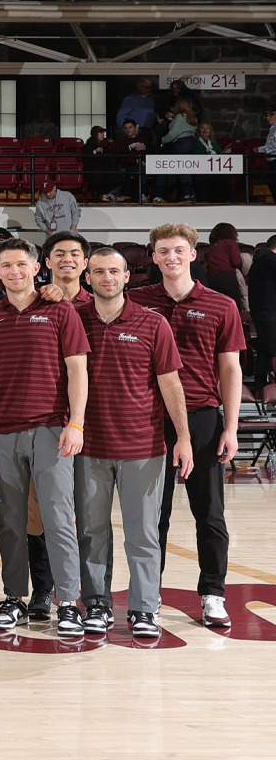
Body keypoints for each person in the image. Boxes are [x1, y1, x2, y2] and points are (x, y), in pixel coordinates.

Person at [129, 223, 246, 629]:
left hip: (201, 420)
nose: (171, 257)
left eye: (179, 250)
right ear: (154, 256)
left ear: (193, 254)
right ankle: (149, 595)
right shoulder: (136, 301)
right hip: (147, 420)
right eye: (163, 251)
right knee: (150, 516)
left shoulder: (221, 304)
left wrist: (230, 428)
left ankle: (213, 594)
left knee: (209, 514)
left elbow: (230, 370)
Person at [77, 246, 194, 639]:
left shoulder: (152, 323)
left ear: (128, 277)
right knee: (92, 532)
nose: (106, 278)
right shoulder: (74, 320)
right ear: (87, 278)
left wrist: (184, 438)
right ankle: (96, 603)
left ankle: (144, 608)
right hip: (88, 447)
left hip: (143, 448)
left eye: (114, 271)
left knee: (143, 533)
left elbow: (170, 384)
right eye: (98, 272)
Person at [0, 238, 90, 634]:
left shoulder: (61, 311)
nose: (14, 272)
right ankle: (14, 597)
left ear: (35, 267)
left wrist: (75, 423)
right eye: (6, 265)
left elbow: (78, 370)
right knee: (10, 520)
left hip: (51, 428)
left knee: (58, 517)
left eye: (21, 264)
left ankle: (68, 602)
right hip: (1, 430)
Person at [204, 221, 250, 318]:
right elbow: (236, 262)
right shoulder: (230, 243)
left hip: (211, 279)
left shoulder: (210, 247)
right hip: (227, 278)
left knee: (216, 308)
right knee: (234, 306)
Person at [249, 235, 276, 389]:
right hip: (271, 311)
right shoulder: (270, 260)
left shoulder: (259, 261)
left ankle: (260, 389)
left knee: (265, 351)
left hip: (259, 312)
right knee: (272, 350)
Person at [42, 231, 88, 303]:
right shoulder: (36, 303)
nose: (67, 259)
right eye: (60, 254)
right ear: (48, 263)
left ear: (85, 263)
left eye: (74, 254)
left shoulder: (97, 304)